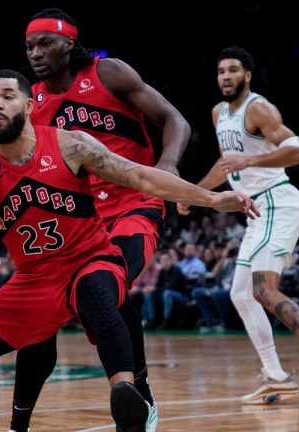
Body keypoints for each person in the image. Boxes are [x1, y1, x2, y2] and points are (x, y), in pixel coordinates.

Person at [0, 69, 257, 432]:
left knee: (96, 291)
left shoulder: (69, 144)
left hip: (88, 259)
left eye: (7, 96)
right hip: (34, 280)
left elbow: (141, 176)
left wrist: (211, 198)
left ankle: (126, 398)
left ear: (28, 106)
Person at [11, 8, 194, 430]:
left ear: (69, 44)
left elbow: (175, 120)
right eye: (29, 46)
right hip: (82, 218)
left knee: (109, 284)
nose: (35, 53)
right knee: (44, 312)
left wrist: (168, 163)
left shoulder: (108, 73)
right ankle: (19, 422)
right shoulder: (32, 100)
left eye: (45, 44)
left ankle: (140, 394)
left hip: (134, 203)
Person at [177, 46, 299, 405]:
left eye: (233, 70)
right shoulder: (218, 114)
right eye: (220, 71)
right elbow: (227, 166)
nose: (225, 76)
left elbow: (298, 149)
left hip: (278, 200)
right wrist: (193, 193)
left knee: (263, 288)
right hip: (257, 212)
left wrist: (252, 157)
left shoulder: (258, 108)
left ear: (248, 75)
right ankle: (276, 378)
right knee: (240, 294)